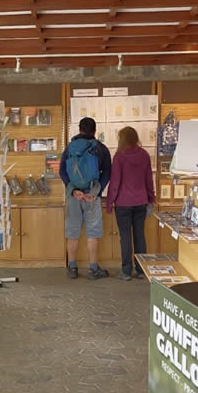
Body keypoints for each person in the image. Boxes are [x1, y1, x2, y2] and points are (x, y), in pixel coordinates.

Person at [59, 117, 112, 280]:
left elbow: (62, 171)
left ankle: (73, 267)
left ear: (79, 129)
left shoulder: (69, 148)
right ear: (95, 130)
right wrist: (96, 192)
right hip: (92, 197)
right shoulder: (101, 149)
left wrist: (73, 190)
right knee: (92, 233)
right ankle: (93, 268)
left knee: (72, 232)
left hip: (74, 196)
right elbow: (108, 173)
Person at [105, 126, 156, 281]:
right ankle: (141, 270)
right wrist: (151, 198)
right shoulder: (145, 155)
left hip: (123, 203)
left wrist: (109, 202)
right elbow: (149, 180)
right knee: (140, 235)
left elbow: (115, 182)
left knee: (125, 236)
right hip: (141, 201)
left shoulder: (119, 157)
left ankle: (126, 271)